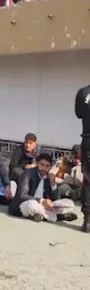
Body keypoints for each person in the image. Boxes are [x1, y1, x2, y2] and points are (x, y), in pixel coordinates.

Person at [8, 154, 77, 223]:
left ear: (50, 167)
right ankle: (59, 217)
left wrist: (53, 184)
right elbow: (22, 195)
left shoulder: (49, 176)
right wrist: (42, 201)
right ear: (37, 164)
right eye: (42, 165)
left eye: (47, 166)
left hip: (43, 206)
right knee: (32, 205)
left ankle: (39, 216)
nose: (44, 168)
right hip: (24, 204)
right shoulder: (28, 174)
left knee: (69, 204)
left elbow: (55, 199)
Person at [75, 83, 90, 232]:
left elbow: (79, 114)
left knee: (88, 179)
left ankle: (87, 220)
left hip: (88, 139)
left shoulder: (83, 92)